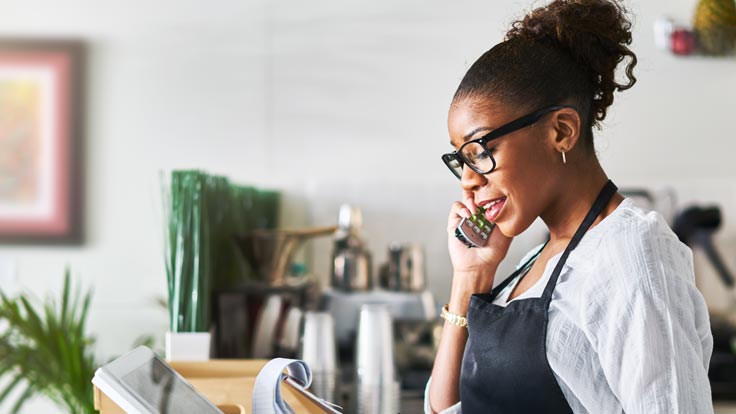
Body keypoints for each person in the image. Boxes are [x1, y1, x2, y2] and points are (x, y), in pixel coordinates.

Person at [425, 0, 714, 413]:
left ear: (561, 131)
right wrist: (470, 276)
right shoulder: (538, 259)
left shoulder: (633, 255)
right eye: (462, 160)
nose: (469, 178)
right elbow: (446, 409)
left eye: (481, 151)